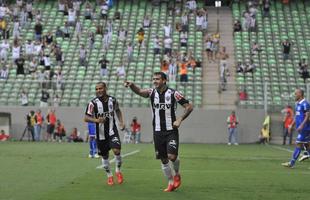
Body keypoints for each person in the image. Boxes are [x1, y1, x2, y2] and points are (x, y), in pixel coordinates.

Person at [124, 72, 193, 192]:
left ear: (164, 80)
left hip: (171, 130)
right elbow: (140, 92)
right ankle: (171, 182)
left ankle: (177, 173)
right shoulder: (152, 92)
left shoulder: (173, 93)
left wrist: (180, 119)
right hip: (157, 132)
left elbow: (189, 107)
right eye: (153, 79)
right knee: (164, 159)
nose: (155, 81)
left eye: (157, 79)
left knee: (172, 156)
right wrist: (132, 85)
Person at [84, 82, 125, 186]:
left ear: (105, 88)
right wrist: (97, 120)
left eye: (100, 88)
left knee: (117, 150)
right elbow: (86, 118)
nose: (98, 91)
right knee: (105, 156)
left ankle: (118, 171)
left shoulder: (113, 100)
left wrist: (121, 122)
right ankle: (110, 176)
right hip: (100, 134)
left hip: (112, 131)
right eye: (96, 89)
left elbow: (118, 111)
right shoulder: (92, 103)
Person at [282, 89, 310, 168]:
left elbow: (308, 116)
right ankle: (293, 162)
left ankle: (291, 163)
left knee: (298, 144)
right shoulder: (297, 104)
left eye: (295, 94)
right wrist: (291, 125)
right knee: (307, 145)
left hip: (305, 129)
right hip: (302, 128)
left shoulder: (305, 104)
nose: (294, 95)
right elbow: (296, 116)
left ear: (300, 94)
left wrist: (301, 125)